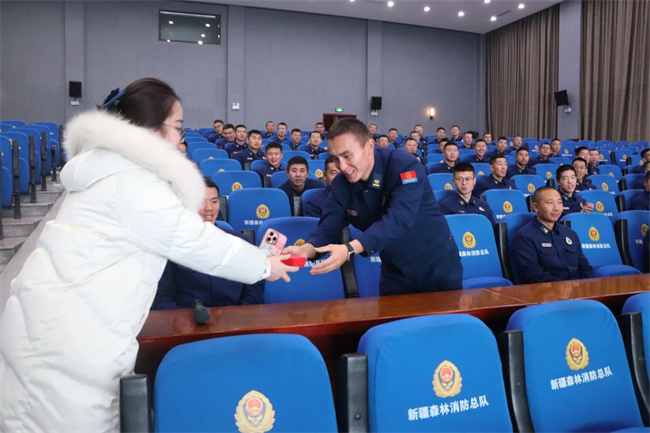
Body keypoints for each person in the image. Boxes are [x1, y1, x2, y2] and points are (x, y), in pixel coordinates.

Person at [0, 78, 297, 432]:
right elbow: (195, 241)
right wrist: (263, 264)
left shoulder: (108, 169)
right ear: (153, 129)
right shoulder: (134, 181)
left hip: (52, 326)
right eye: (177, 126)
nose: (179, 138)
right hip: (70, 342)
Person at [283, 118, 462, 296]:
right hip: (395, 269)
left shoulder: (405, 166)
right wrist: (306, 250)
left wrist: (349, 249)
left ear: (369, 146)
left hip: (436, 265)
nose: (342, 167)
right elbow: (328, 227)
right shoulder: (341, 184)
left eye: (347, 156)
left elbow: (398, 219)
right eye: (335, 159)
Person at [153, 178, 264, 309]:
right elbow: (161, 297)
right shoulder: (172, 246)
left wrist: (239, 314)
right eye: (201, 202)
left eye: (214, 201)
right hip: (188, 318)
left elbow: (254, 290)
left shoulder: (239, 242)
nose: (209, 208)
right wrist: (187, 318)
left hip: (235, 317)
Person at [512, 187, 593, 283]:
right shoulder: (525, 236)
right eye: (550, 203)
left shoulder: (570, 234)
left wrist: (588, 285)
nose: (556, 208)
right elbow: (533, 274)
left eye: (559, 203)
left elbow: (584, 267)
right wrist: (566, 287)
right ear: (536, 207)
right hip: (547, 290)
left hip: (578, 288)